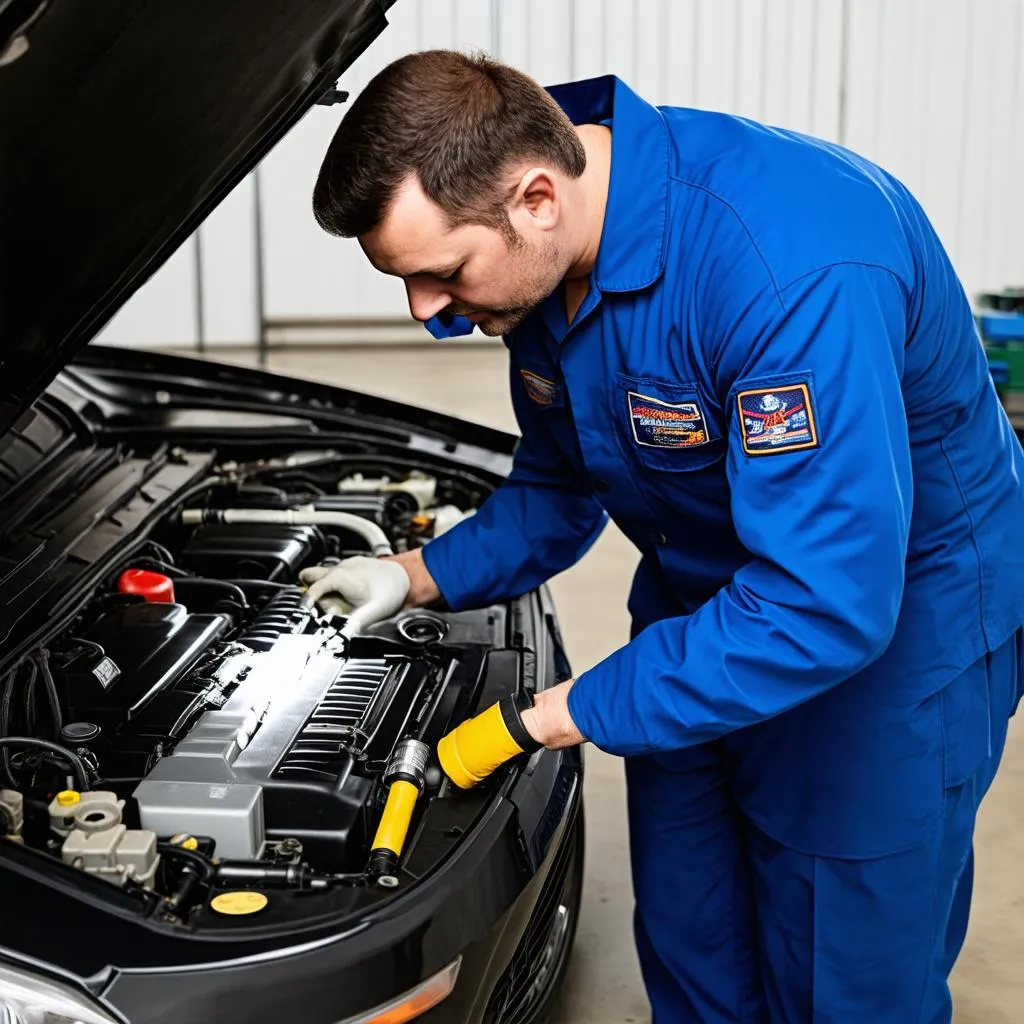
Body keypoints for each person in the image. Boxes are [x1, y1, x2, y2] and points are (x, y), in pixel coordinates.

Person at [307, 49, 1024, 1023]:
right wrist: (415, 573)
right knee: (693, 935)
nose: (426, 311)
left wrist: (551, 716)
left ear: (535, 198)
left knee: (840, 983)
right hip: (701, 613)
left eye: (441, 275)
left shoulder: (784, 268)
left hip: (890, 639)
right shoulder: (541, 266)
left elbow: (824, 601)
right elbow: (559, 489)